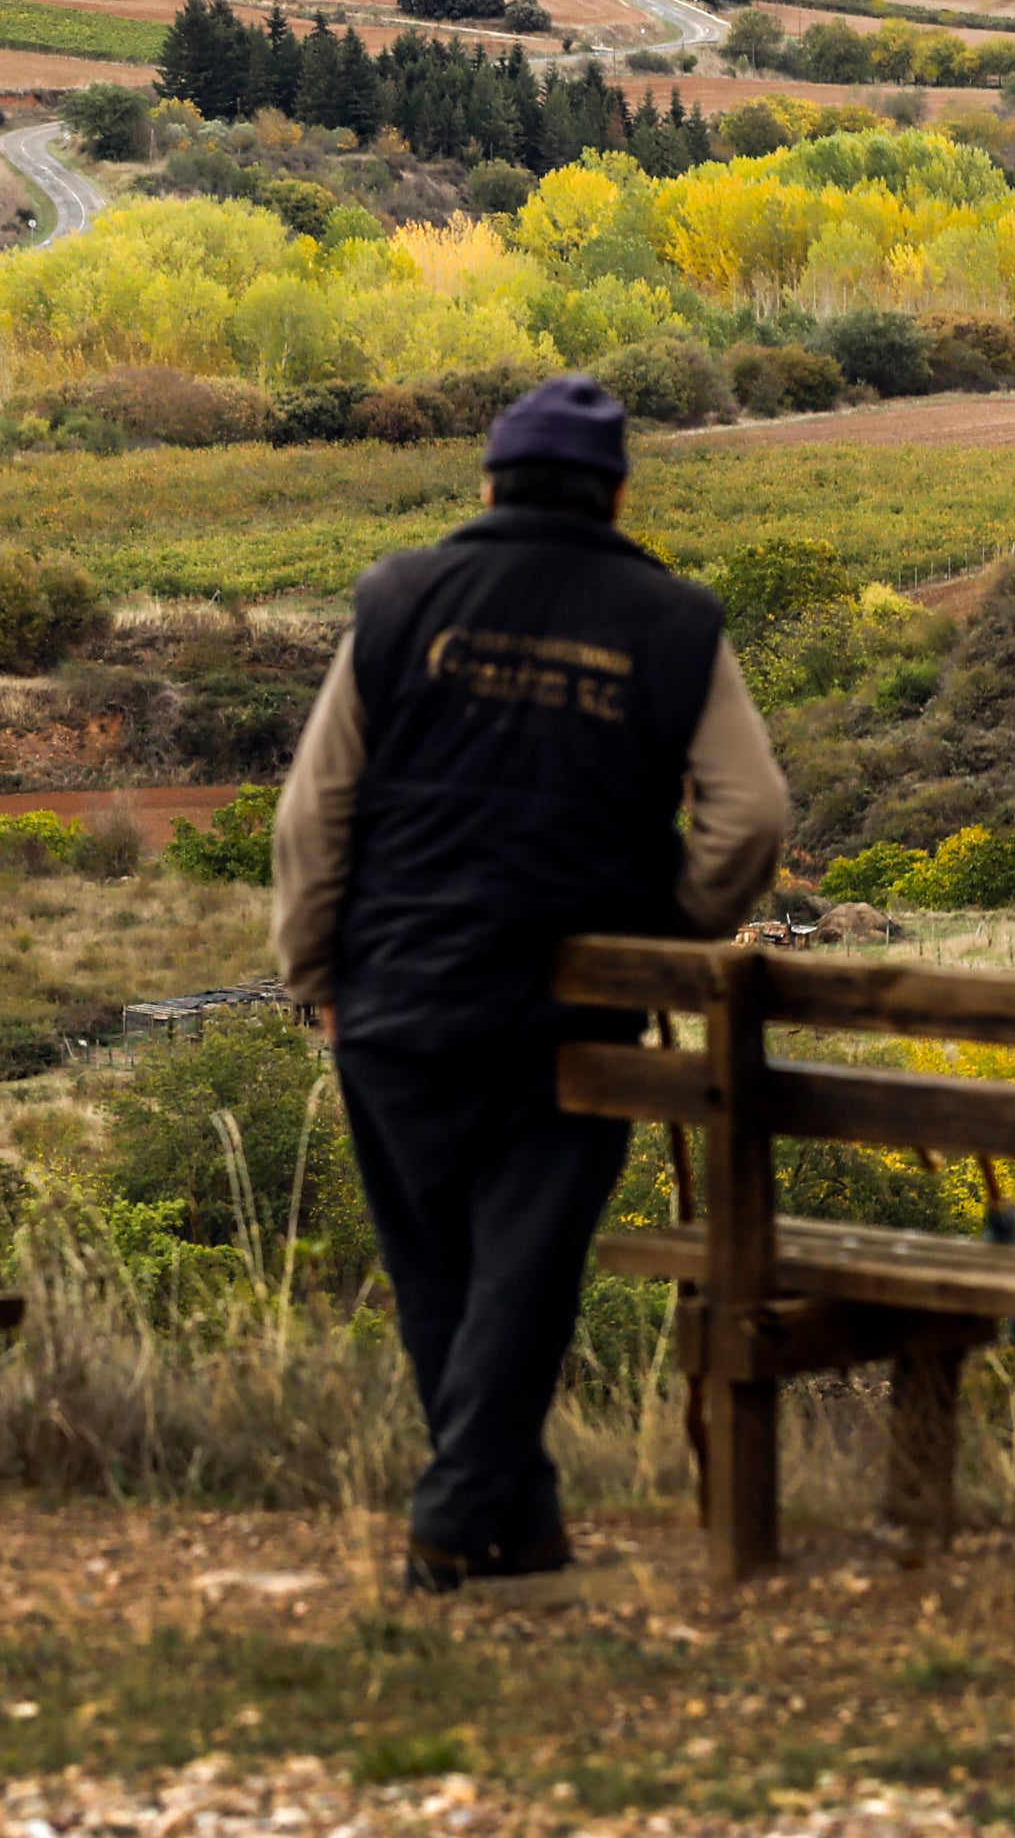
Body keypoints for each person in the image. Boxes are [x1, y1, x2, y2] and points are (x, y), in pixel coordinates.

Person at [270, 371, 791, 1590]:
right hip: (574, 1010)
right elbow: (752, 815)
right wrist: (667, 932)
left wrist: (314, 969)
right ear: (616, 495)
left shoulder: (401, 599)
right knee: (526, 1277)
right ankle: (505, 1527)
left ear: (490, 483)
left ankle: (462, 1525)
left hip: (396, 995)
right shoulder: (673, 622)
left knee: (443, 1278)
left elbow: (316, 808)